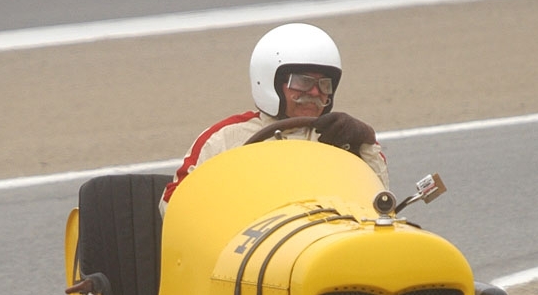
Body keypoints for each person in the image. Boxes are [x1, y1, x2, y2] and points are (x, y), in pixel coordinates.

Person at [159, 23, 388, 214]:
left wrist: (365, 142)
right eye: (303, 82)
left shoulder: (345, 136)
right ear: (271, 82)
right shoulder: (225, 139)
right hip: (250, 251)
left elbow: (382, 203)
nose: (316, 93)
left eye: (324, 84)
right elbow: (171, 205)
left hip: (327, 245)